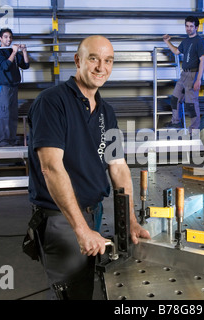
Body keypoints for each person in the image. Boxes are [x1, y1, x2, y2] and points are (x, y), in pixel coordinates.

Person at [27, 35, 151, 299]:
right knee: (72, 292)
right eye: (93, 59)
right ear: (78, 61)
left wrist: (130, 221)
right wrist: (81, 229)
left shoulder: (107, 111)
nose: (101, 67)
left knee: (86, 285)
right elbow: (51, 167)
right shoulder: (52, 102)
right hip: (61, 218)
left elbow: (118, 166)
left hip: (93, 212)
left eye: (108, 61)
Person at [162, 16, 204, 132]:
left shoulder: (199, 42)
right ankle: (176, 122)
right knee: (175, 98)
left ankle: (194, 129)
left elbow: (203, 60)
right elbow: (176, 51)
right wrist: (167, 41)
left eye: (191, 26)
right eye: (187, 26)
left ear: (196, 27)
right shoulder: (185, 41)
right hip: (184, 75)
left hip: (193, 75)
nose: (189, 28)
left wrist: (198, 79)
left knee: (191, 104)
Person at [0, 28, 29, 147]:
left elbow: (26, 65)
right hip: (3, 86)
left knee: (13, 114)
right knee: (5, 113)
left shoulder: (13, 51)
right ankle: (3, 142)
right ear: (0, 38)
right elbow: (5, 66)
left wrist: (24, 51)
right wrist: (14, 52)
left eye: (10, 37)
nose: (9, 39)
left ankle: (11, 140)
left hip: (13, 86)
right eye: (6, 37)